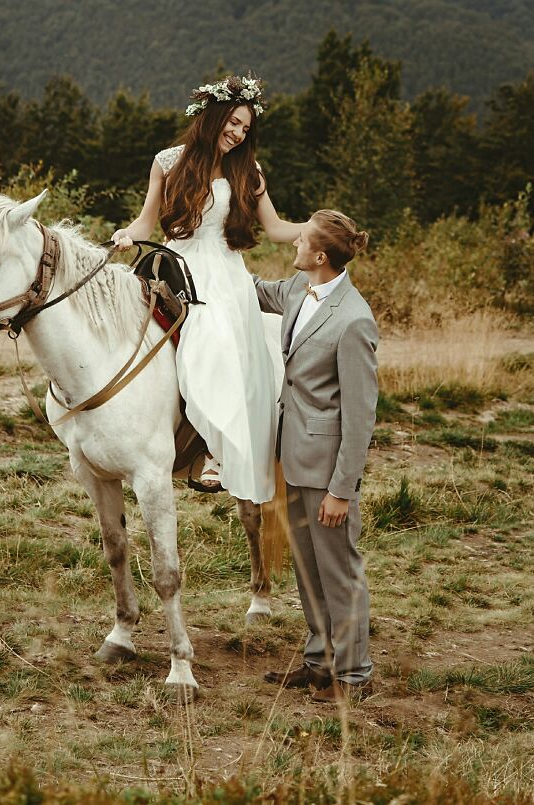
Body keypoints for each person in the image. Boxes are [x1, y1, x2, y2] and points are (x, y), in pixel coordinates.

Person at [112, 75, 302, 503]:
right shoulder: (168, 161)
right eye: (234, 123)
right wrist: (128, 233)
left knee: (216, 338)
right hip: (174, 264)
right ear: (214, 116)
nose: (238, 134)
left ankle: (214, 451)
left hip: (224, 273)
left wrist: (318, 229)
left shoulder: (248, 171)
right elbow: (146, 220)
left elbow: (274, 229)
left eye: (246, 128)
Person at [253, 210, 378, 703]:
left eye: (301, 240)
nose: (293, 244)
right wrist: (199, 259)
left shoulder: (353, 320)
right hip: (293, 457)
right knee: (308, 569)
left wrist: (341, 491)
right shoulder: (297, 292)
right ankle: (319, 661)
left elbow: (360, 417)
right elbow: (256, 291)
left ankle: (353, 676)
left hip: (327, 473)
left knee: (339, 573)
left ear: (320, 256)